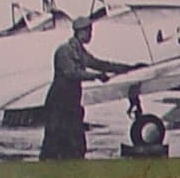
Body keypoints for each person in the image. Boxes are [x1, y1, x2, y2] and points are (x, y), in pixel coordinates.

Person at [39, 18, 131, 162]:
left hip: (72, 103)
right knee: (53, 143)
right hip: (58, 104)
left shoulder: (80, 52)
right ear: (79, 32)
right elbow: (72, 73)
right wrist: (97, 76)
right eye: (88, 31)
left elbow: (99, 64)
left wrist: (126, 68)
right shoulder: (64, 51)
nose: (90, 35)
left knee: (76, 144)